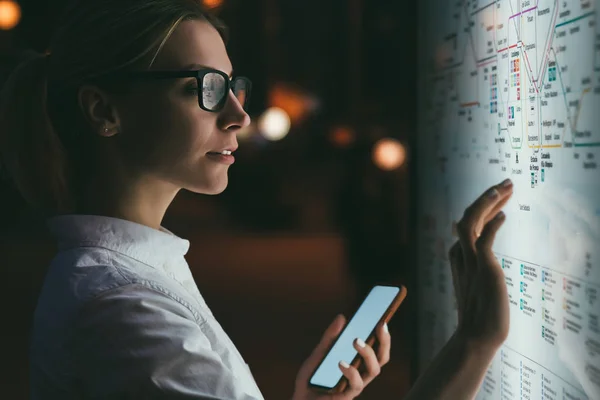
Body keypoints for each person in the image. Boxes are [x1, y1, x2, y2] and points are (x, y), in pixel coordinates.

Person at [0, 1, 515, 398]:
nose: (238, 116)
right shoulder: (126, 314)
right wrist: (475, 342)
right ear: (103, 110)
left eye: (233, 86)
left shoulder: (118, 280)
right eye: (205, 87)